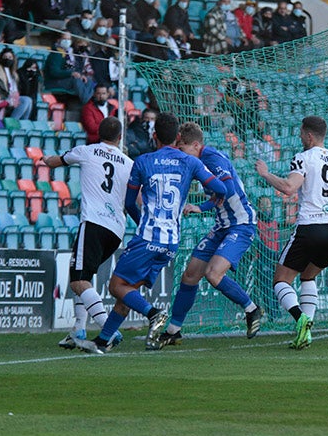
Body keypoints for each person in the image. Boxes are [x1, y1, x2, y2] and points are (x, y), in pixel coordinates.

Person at [77, 112, 229, 353]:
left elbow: (129, 203)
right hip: (171, 243)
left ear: (154, 136)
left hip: (148, 237)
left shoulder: (143, 161)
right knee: (128, 290)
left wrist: (141, 223)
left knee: (116, 286)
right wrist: (212, 202)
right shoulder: (191, 162)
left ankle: (154, 313)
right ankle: (103, 341)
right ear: (178, 137)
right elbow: (221, 187)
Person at [254, 116, 328, 349]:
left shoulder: (303, 158)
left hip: (309, 228)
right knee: (308, 276)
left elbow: (288, 188)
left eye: (300, 133)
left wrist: (265, 174)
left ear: (308, 135)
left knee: (280, 281)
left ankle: (300, 317)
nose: (298, 137)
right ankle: (305, 334)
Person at [156, 122, 264, 345]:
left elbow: (229, 189)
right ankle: (174, 329)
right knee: (190, 274)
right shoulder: (197, 160)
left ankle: (252, 309)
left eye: (183, 148)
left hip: (241, 224)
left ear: (196, 145)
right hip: (222, 225)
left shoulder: (213, 159)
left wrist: (201, 207)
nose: (182, 153)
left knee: (213, 275)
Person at [45, 117, 132, 350]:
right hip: (116, 230)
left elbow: (55, 162)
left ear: (97, 134)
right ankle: (78, 329)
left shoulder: (87, 151)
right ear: (120, 138)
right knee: (84, 276)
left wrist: (44, 159)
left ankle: (108, 329)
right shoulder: (128, 162)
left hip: (94, 222)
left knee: (78, 280)